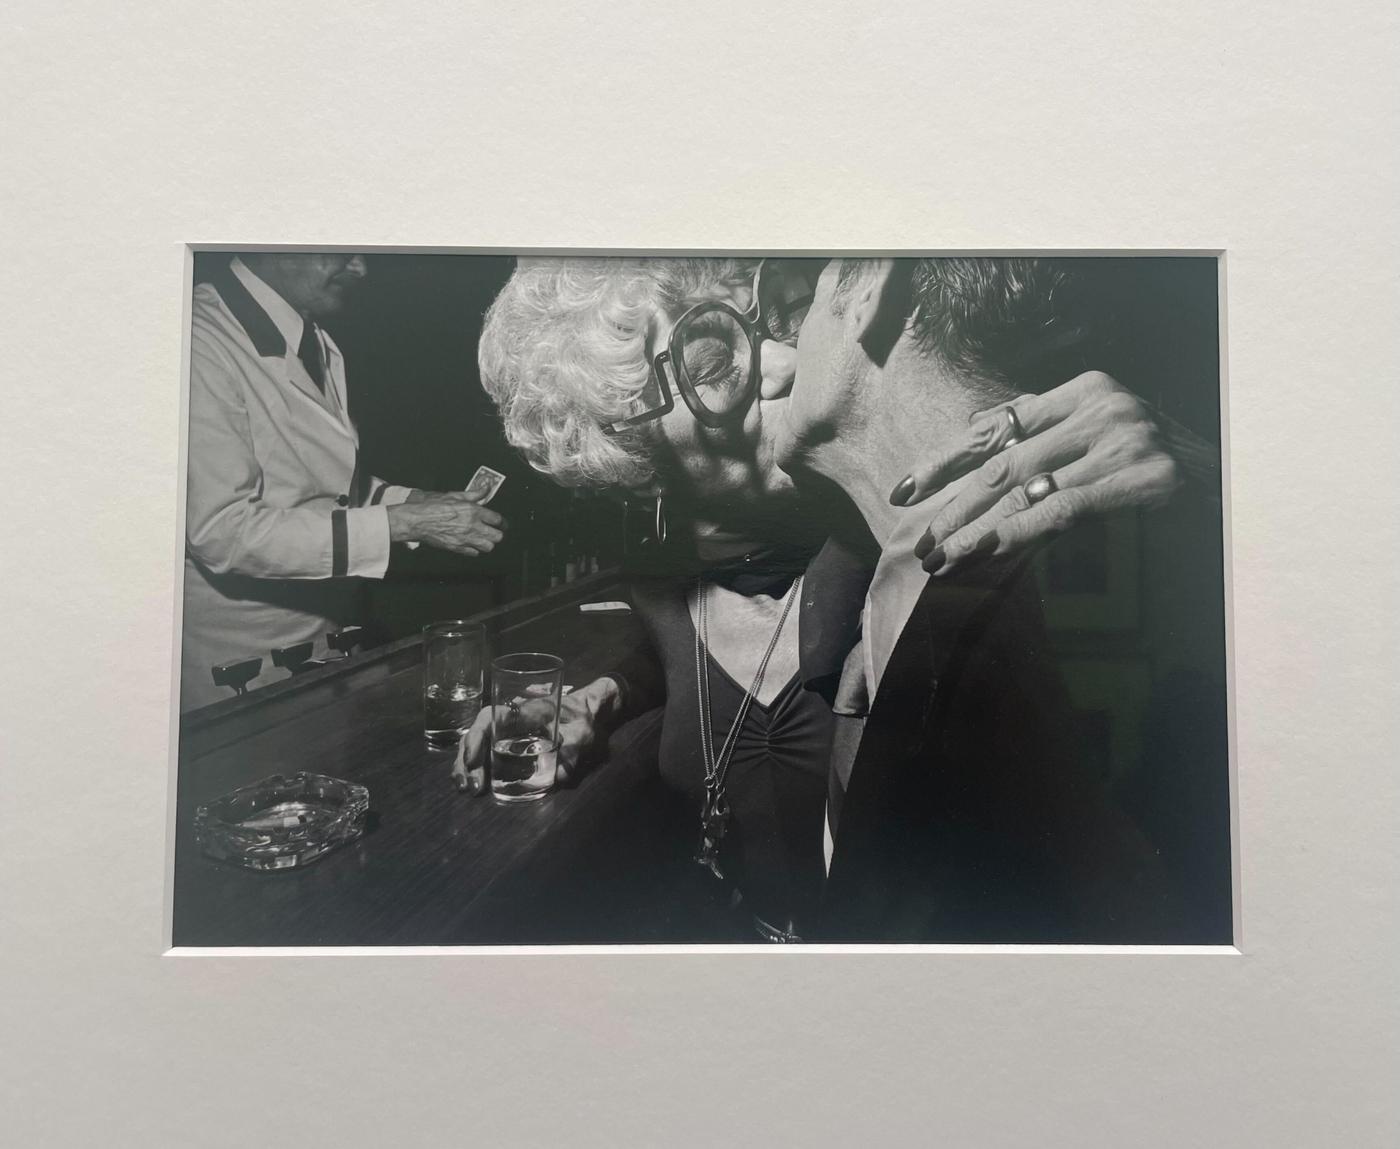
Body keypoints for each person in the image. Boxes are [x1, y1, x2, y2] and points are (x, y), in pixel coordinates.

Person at [461, 256, 1208, 943]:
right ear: (639, 460)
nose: (779, 364)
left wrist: (1194, 459)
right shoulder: (665, 595)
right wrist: (601, 695)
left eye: (771, 329)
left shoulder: (890, 532)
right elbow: (678, 643)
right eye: (713, 360)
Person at [777, 258, 1230, 942]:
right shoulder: (901, 575)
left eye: (804, 306)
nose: (781, 352)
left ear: (869, 285)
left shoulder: (1075, 578)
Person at [182, 253, 507, 710]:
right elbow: (221, 531)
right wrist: (404, 524)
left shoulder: (311, 336)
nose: (361, 270)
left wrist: (417, 501)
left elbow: (318, 486)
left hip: (327, 638)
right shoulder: (198, 339)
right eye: (343, 252)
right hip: (243, 663)